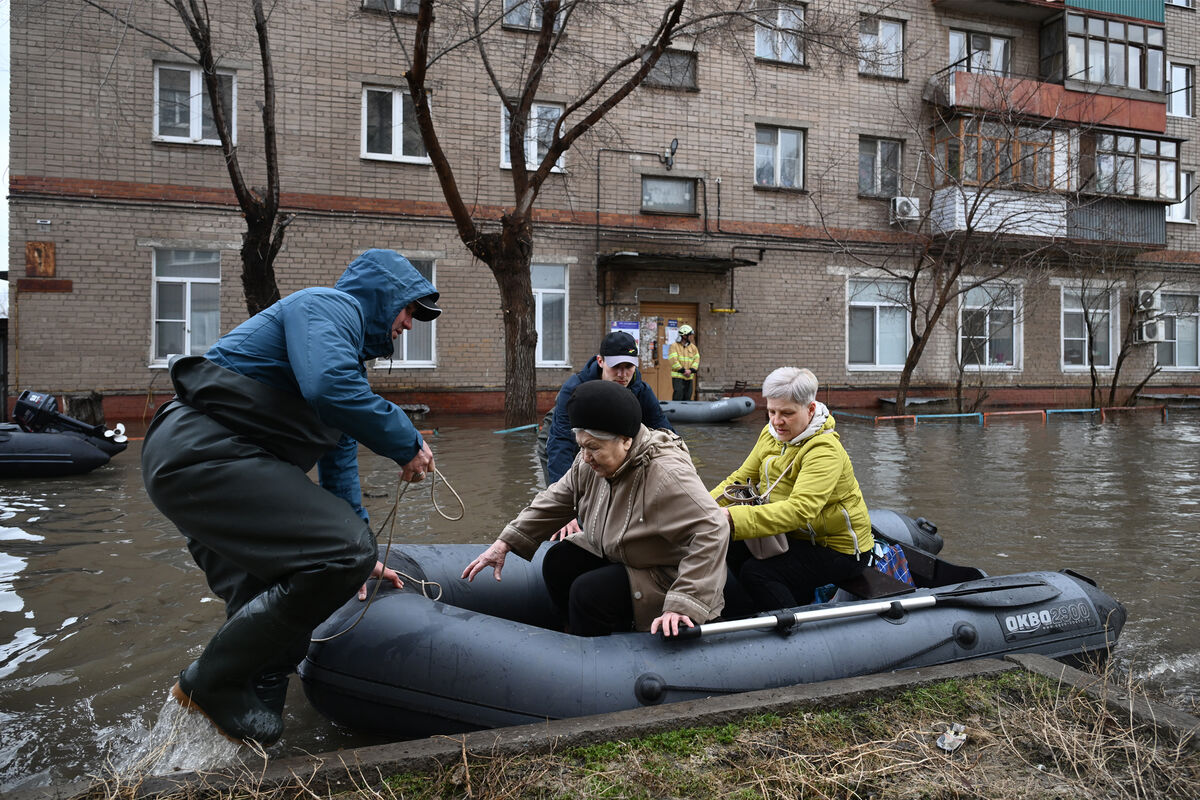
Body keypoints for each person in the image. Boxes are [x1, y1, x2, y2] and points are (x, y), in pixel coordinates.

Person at [141, 248, 440, 746]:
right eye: (408, 310)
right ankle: (208, 683)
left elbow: (340, 476)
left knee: (269, 599)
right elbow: (327, 386)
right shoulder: (328, 306)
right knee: (342, 552)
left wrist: (363, 557)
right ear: (382, 296)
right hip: (204, 451)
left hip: (204, 469)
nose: (409, 325)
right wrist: (404, 441)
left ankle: (246, 754)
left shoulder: (345, 367)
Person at [464, 379, 728, 637]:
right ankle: (570, 635)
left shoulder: (667, 474)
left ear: (625, 440)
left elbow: (714, 527)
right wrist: (505, 542)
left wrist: (684, 602)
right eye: (581, 446)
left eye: (593, 448)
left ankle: (594, 662)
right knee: (558, 561)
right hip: (621, 552)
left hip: (663, 572)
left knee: (588, 592)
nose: (586, 457)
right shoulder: (589, 461)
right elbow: (556, 499)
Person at [711, 367, 873, 613]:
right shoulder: (771, 434)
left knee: (757, 573)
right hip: (795, 537)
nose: (777, 421)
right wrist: (704, 508)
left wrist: (732, 517)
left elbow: (801, 510)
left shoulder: (824, 450)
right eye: (771, 412)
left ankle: (792, 626)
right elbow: (740, 479)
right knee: (730, 543)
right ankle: (759, 607)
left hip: (838, 548)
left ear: (810, 409)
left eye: (787, 413)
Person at [543, 330, 673, 486]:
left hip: (608, 430)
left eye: (628, 366)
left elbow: (665, 432)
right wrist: (566, 494)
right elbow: (560, 442)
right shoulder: (573, 388)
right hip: (564, 431)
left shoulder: (642, 391)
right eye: (616, 366)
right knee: (567, 487)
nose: (622, 374)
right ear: (600, 361)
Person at [668, 324, 699, 401]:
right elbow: (673, 360)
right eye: (690, 335)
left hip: (689, 377)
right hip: (678, 377)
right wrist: (683, 370)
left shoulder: (693, 347)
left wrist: (691, 370)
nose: (691, 337)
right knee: (678, 396)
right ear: (684, 336)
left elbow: (696, 359)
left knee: (688, 397)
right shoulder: (674, 346)